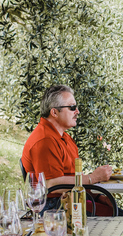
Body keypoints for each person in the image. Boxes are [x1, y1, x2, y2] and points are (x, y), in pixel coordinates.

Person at [21, 85, 114, 214]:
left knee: (116, 212)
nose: (77, 112)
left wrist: (97, 196)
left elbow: (72, 177)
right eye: (72, 107)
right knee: (118, 217)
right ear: (54, 112)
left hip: (71, 199)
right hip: (54, 207)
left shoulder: (64, 137)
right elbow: (52, 185)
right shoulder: (44, 141)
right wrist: (93, 178)